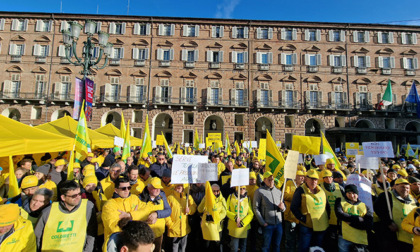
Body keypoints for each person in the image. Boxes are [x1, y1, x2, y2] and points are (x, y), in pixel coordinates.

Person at [35, 180, 97, 252]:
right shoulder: (48, 212)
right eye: (73, 196)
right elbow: (38, 236)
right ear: (63, 197)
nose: (78, 197)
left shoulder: (88, 206)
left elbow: (91, 232)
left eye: (79, 194)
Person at [102, 176, 156, 249]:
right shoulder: (109, 205)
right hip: (117, 243)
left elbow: (147, 210)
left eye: (129, 187)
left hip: (135, 242)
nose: (127, 190)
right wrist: (137, 220)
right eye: (123, 188)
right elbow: (113, 227)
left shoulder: (134, 198)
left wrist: (130, 215)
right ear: (116, 190)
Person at [374, 178, 418, 252]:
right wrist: (389, 222)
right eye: (402, 187)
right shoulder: (386, 196)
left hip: (408, 235)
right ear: (395, 187)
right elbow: (378, 209)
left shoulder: (413, 200)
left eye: (407, 188)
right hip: (391, 235)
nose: (405, 189)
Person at [291, 169, 329, 252]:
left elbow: (327, 206)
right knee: (304, 248)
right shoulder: (300, 190)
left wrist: (327, 218)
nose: (313, 182)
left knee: (317, 248)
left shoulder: (321, 190)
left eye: (315, 180)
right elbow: (293, 207)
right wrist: (303, 218)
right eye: (311, 179)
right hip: (306, 226)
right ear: (306, 179)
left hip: (320, 226)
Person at [253, 171, 286, 252]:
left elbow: (284, 207)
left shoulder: (278, 192)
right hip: (267, 225)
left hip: (278, 224)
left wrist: (283, 208)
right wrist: (262, 222)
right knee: (266, 247)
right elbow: (255, 208)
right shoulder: (259, 191)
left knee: (277, 246)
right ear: (264, 180)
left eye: (272, 179)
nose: (271, 181)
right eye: (269, 179)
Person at [335, 184, 373, 252]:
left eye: (353, 193)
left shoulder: (364, 206)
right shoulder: (340, 201)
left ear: (357, 194)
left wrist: (351, 223)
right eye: (349, 193)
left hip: (359, 239)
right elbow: (340, 215)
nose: (351, 195)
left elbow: (368, 224)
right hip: (344, 237)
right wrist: (359, 219)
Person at [139, 177, 172, 252]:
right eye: (155, 188)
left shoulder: (162, 196)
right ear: (149, 188)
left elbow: (168, 211)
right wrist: (147, 220)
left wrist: (157, 213)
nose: (158, 190)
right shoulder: (140, 198)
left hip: (158, 233)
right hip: (145, 234)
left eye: (159, 188)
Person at [165, 183, 197, 252]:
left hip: (185, 229)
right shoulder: (169, 198)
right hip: (173, 230)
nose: (179, 187)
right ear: (174, 186)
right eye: (177, 185)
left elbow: (194, 206)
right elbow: (166, 213)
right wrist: (171, 225)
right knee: (174, 249)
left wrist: (190, 210)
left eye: (181, 185)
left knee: (182, 249)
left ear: (183, 187)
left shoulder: (187, 196)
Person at [319, 169, 344, 252]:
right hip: (325, 218)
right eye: (326, 177)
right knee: (328, 240)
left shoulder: (339, 187)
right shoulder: (319, 187)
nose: (328, 179)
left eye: (330, 177)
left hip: (339, 219)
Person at [197, 183, 227, 252]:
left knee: (216, 246)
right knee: (206, 246)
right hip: (207, 227)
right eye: (214, 191)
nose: (216, 193)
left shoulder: (222, 200)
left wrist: (216, 217)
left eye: (217, 191)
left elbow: (224, 212)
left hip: (217, 227)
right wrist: (204, 199)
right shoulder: (206, 199)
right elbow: (199, 209)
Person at [226, 185, 254, 252]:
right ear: (236, 189)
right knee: (234, 248)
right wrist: (234, 217)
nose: (242, 190)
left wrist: (243, 222)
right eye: (240, 188)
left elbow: (250, 213)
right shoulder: (230, 197)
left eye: (244, 188)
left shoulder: (248, 199)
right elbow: (226, 210)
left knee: (243, 247)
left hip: (245, 227)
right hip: (234, 227)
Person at [283, 170, 305, 252]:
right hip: (290, 217)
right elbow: (284, 195)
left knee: (300, 239)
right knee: (290, 239)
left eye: (303, 176)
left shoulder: (304, 186)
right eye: (300, 176)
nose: (302, 177)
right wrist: (297, 197)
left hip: (301, 218)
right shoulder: (289, 183)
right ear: (295, 177)